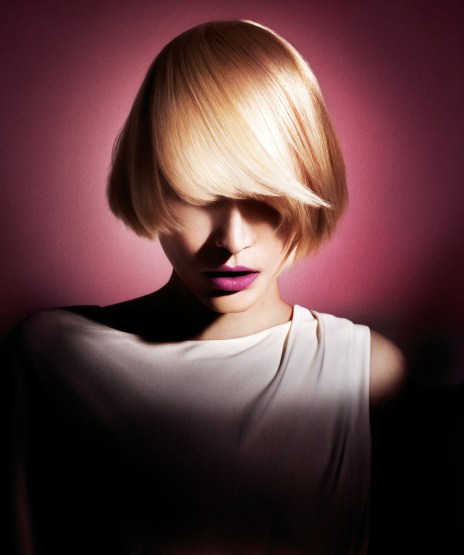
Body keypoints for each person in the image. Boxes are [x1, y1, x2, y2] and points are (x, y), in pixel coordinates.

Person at [5, 19, 406, 554]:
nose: (232, 240)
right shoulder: (54, 357)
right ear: (150, 182)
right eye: (198, 195)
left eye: (264, 196)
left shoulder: (369, 374)